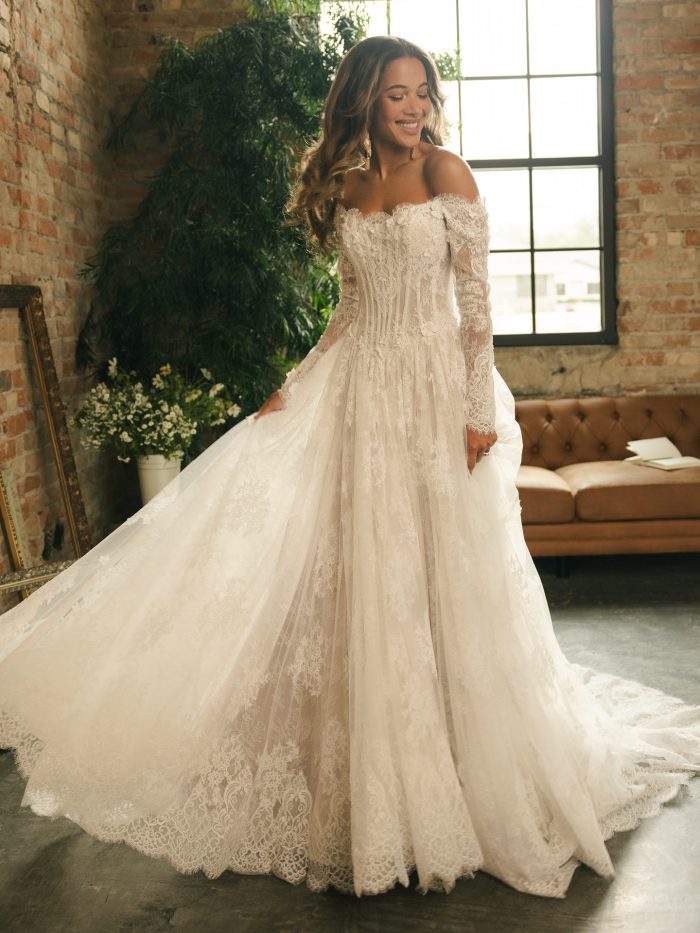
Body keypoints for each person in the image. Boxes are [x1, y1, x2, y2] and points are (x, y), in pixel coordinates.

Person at [0, 35, 699, 900]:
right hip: (360, 396)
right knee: (366, 572)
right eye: (395, 95)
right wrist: (293, 383)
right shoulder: (351, 183)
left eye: (421, 93)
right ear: (365, 102)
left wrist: (478, 412)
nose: (411, 108)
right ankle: (378, 773)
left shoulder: (449, 174)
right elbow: (348, 310)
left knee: (450, 572)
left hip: (437, 394)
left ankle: (459, 754)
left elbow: (476, 306)